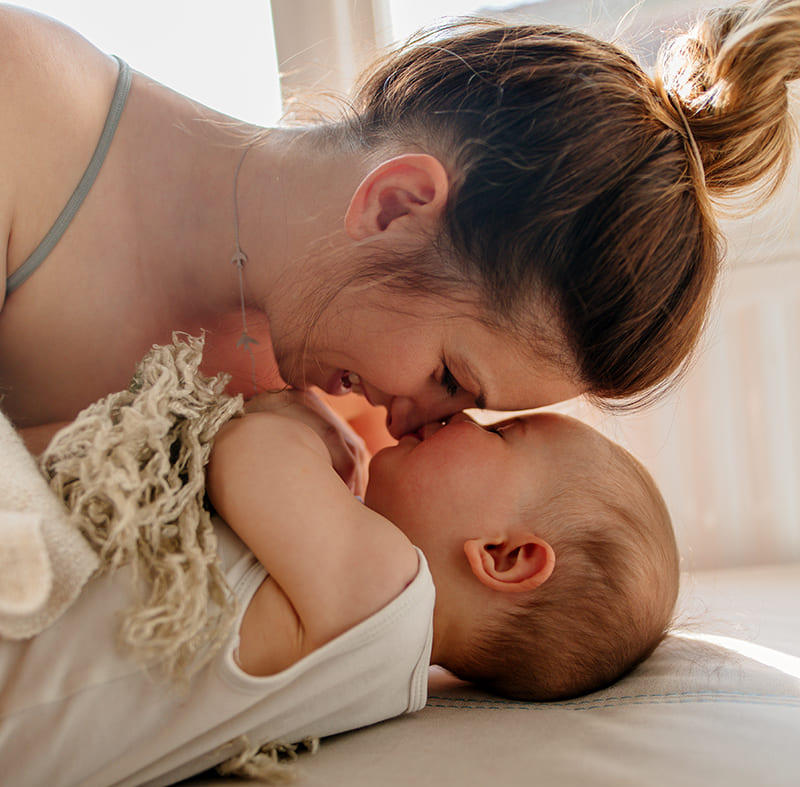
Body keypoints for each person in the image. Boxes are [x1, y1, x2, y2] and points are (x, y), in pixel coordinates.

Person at [1, 1, 798, 475]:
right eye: (451, 379)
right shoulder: (25, 112)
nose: (417, 428)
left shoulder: (319, 412)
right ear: (394, 206)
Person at [0, 339, 678, 787]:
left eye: (500, 434)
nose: (464, 416)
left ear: (503, 556)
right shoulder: (382, 662)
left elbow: (248, 451)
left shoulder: (388, 590)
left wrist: (302, 418)